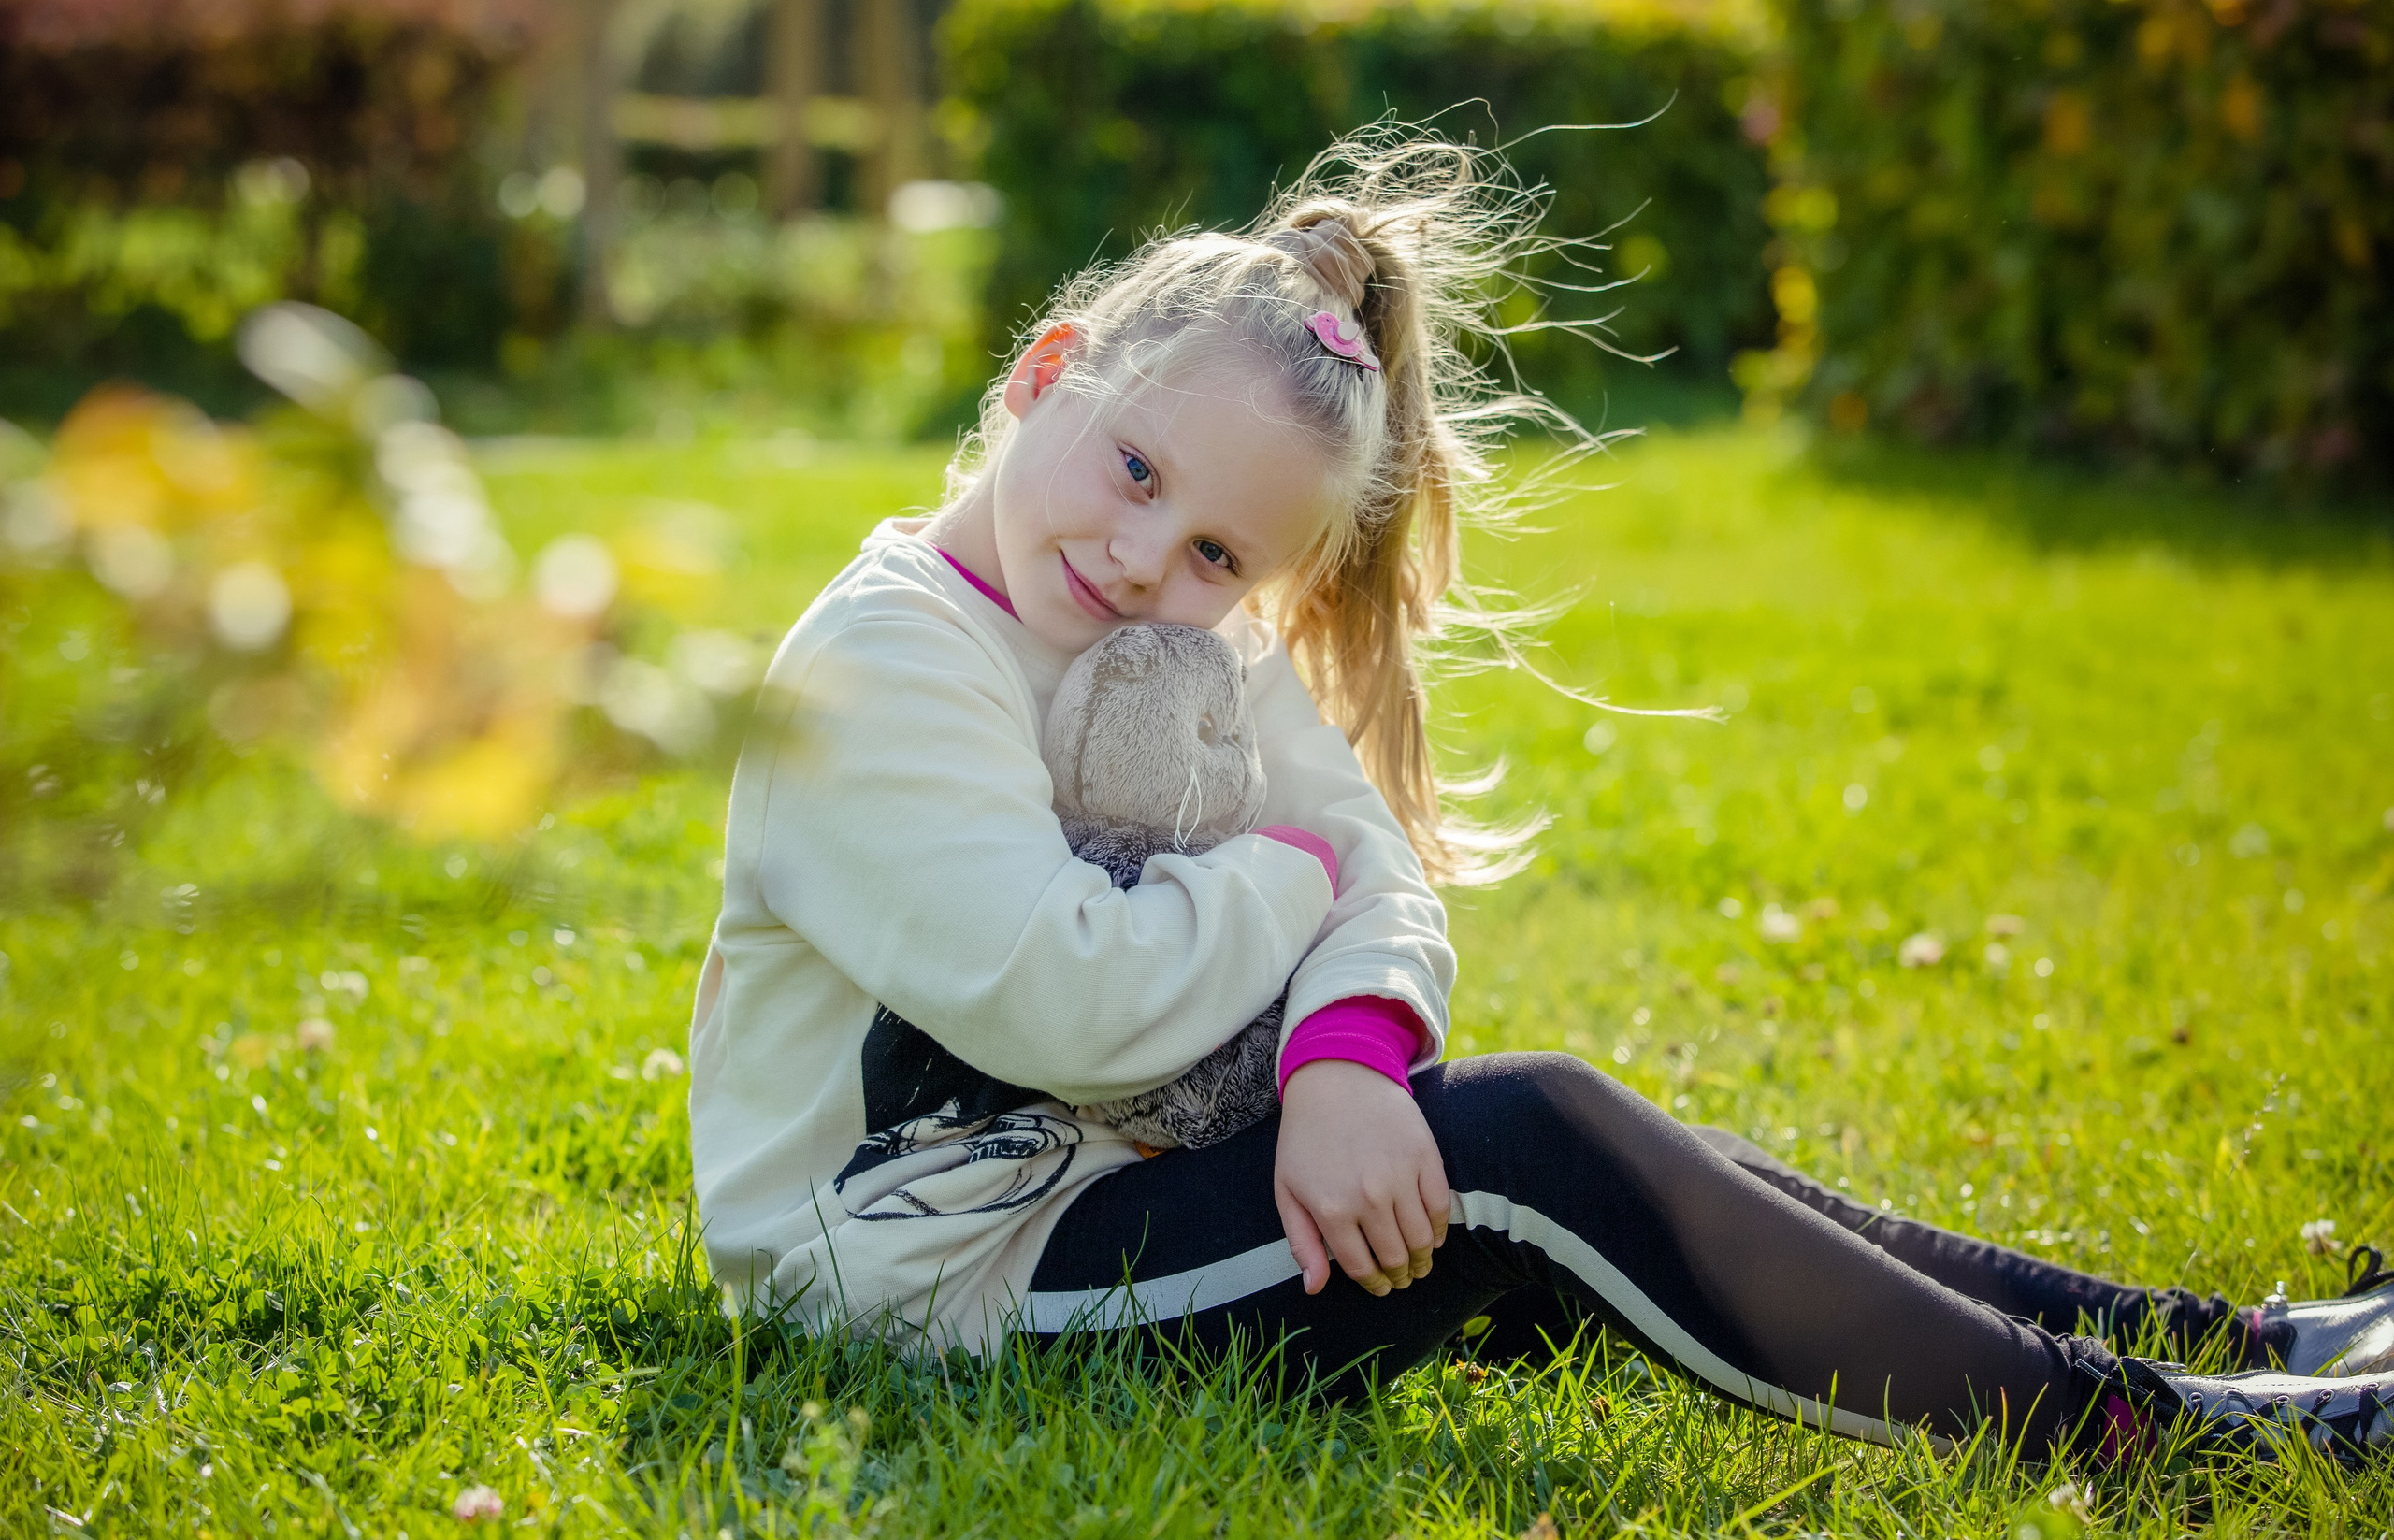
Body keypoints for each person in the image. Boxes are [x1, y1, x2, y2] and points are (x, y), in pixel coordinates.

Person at [688, 131, 2394, 1466]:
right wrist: (1285, 896)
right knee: (1529, 1145)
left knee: (1605, 1156)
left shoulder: (1161, 641)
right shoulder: (881, 669)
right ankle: (2143, 1431)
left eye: (1218, 550)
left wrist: (1347, 1059)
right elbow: (1068, 986)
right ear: (1049, 370)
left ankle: (2251, 1343)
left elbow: (1385, 874)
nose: (1146, 561)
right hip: (936, 1279)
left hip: (1125, 1181)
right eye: (1136, 470)